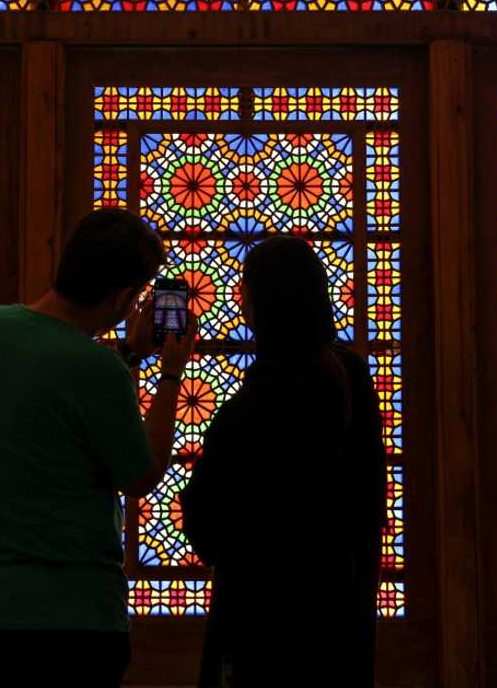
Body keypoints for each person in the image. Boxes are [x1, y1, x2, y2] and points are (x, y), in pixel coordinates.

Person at [0, 208, 196, 687]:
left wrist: (129, 353)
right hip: (69, 626)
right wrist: (171, 373)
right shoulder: (96, 370)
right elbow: (142, 473)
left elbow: (54, 394)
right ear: (123, 296)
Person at [181, 236, 385, 687]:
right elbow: (369, 503)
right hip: (337, 610)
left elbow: (207, 523)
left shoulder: (259, 400)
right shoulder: (348, 375)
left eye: (246, 294)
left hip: (262, 622)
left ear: (262, 304)